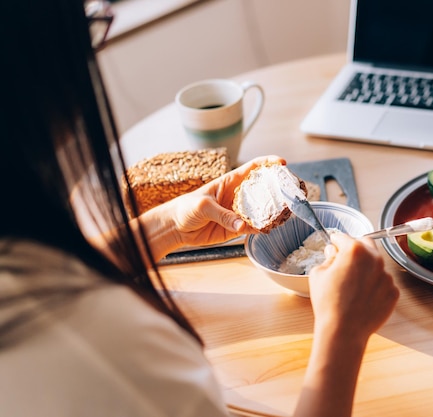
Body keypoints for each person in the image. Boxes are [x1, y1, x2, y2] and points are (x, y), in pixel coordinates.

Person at [0, 1, 399, 416]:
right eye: (85, 24)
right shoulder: (123, 360)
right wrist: (342, 336)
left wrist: (168, 227)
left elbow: (51, 277)